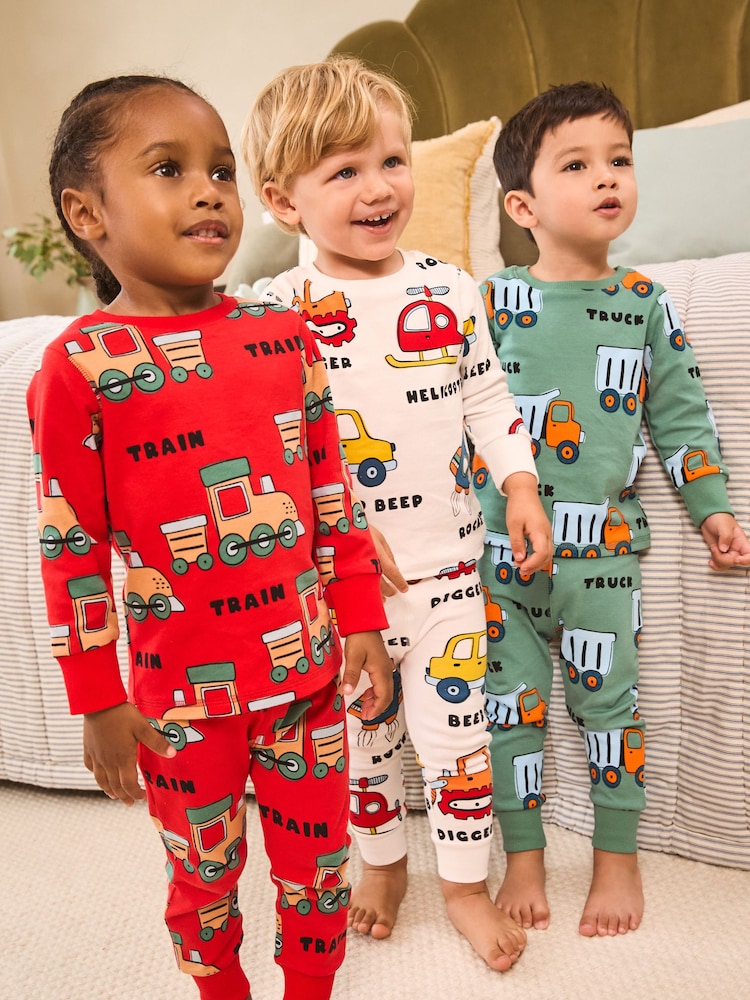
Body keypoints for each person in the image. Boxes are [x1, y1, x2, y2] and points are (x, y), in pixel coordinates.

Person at [28, 73, 395, 1000]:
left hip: (307, 676)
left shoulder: (285, 336)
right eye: (169, 170)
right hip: (178, 702)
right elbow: (71, 549)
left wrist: (360, 615)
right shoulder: (78, 368)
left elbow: (329, 493)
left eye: (222, 171)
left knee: (320, 869)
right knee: (203, 875)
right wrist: (97, 698)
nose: (208, 192)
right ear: (87, 213)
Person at [241, 55, 552, 972]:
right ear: (284, 201)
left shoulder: (449, 289)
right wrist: (327, 528)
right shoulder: (274, 313)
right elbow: (270, 448)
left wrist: (521, 484)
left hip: (447, 571)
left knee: (459, 743)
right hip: (340, 590)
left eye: (391, 161)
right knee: (361, 744)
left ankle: (463, 885)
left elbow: (486, 397)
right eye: (345, 171)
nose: (379, 188)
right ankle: (382, 863)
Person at [476, 80, 750, 940]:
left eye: (620, 160)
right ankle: (523, 855)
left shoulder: (644, 304)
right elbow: (452, 411)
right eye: (577, 164)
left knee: (612, 710)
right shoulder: (489, 303)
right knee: (507, 709)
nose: (607, 178)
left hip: (601, 558)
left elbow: (682, 416)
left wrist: (711, 506)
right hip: (501, 556)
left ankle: (617, 855)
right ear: (522, 206)